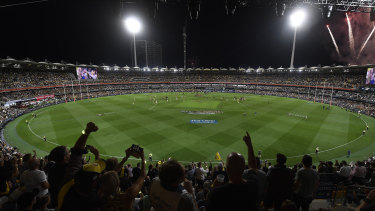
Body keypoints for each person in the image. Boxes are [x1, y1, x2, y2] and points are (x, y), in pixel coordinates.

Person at [206, 132, 259, 211]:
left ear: (227, 169)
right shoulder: (253, 186)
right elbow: (253, 167)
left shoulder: (217, 193)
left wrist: (214, 188)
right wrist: (249, 145)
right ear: (244, 168)